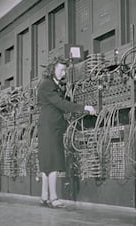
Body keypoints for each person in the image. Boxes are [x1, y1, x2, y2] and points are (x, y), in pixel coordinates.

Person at [37, 56, 96, 208]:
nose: (63, 73)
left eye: (65, 70)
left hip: (51, 127)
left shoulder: (53, 85)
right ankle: (54, 198)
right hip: (50, 127)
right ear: (52, 69)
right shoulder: (47, 84)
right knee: (53, 162)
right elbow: (60, 103)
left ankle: (45, 196)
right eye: (61, 69)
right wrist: (84, 108)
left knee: (47, 162)